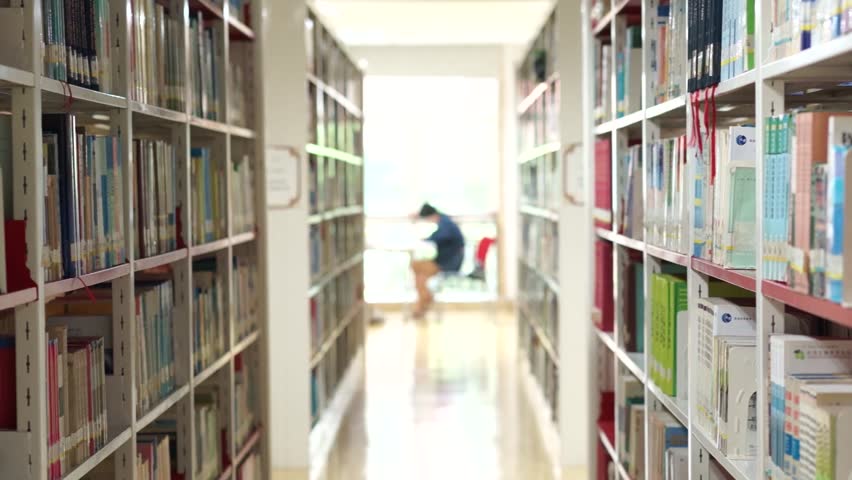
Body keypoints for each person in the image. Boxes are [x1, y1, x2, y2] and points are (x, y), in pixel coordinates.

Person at [411, 203, 464, 317]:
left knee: (416, 266)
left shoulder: (445, 224)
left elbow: (441, 237)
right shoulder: (444, 221)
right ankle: (423, 302)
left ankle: (424, 300)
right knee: (420, 276)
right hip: (445, 260)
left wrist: (428, 239)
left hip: (448, 263)